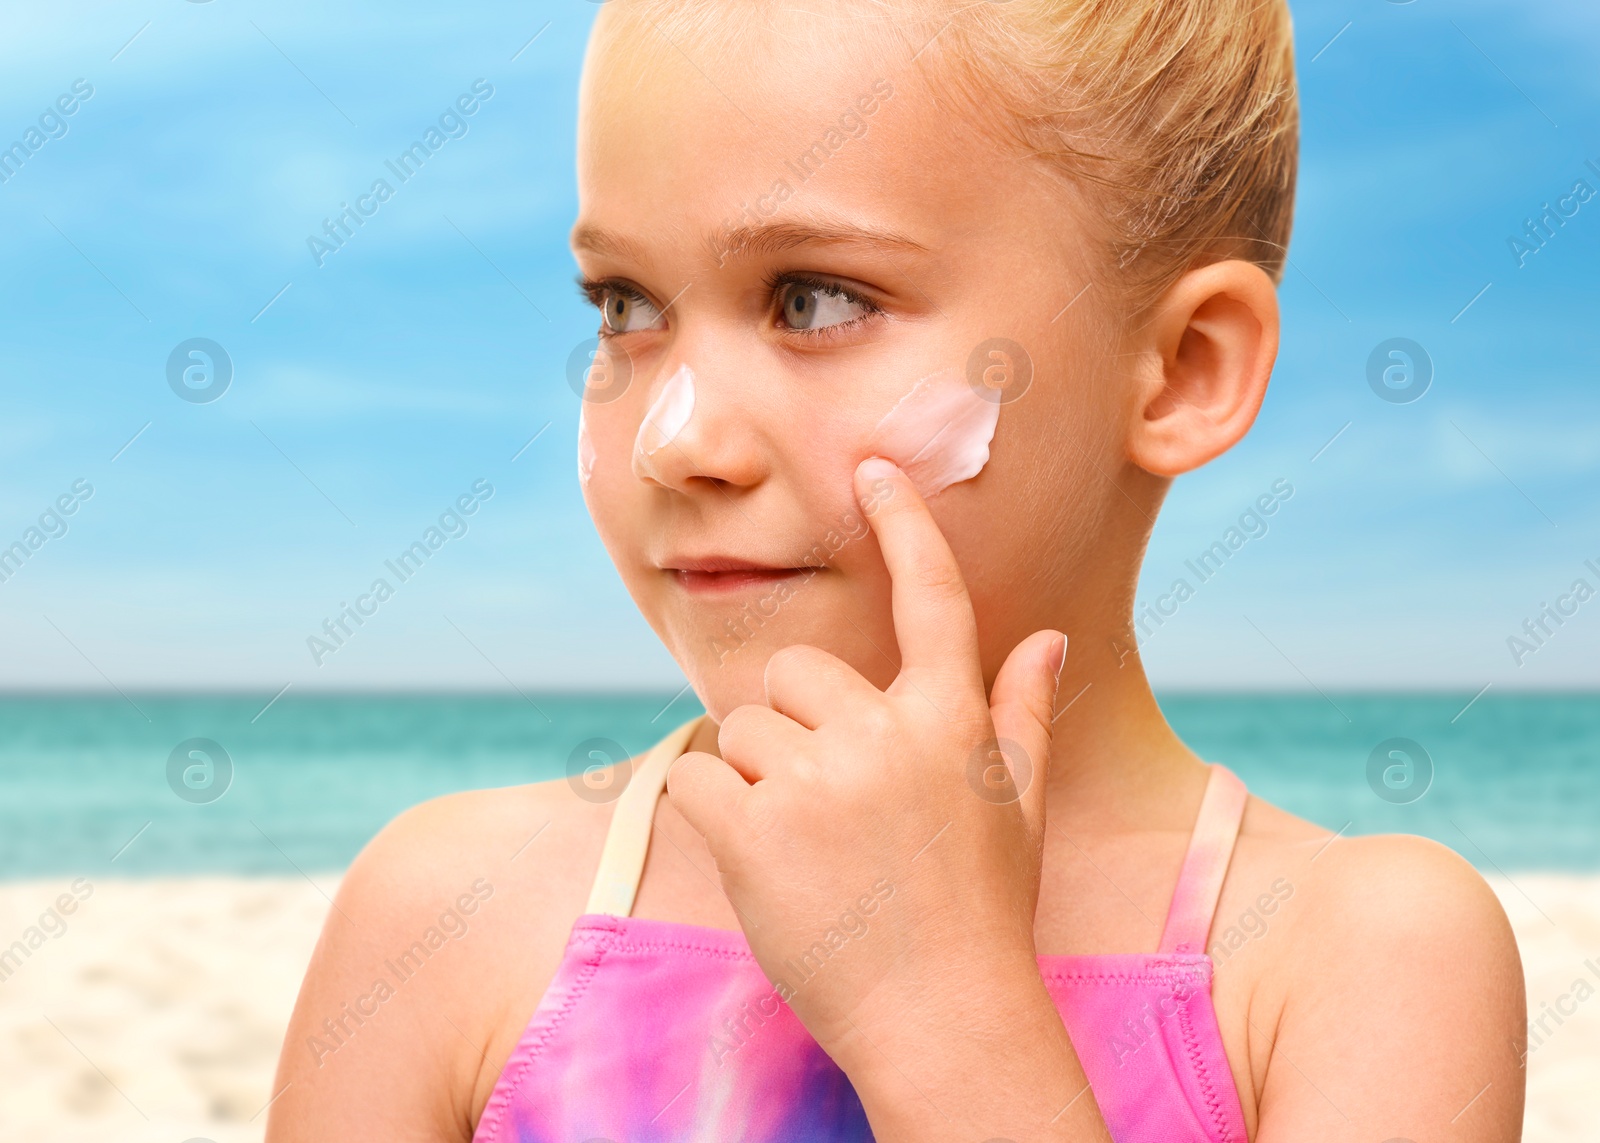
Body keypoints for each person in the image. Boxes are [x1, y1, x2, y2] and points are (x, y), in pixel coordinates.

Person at [268, 2, 1526, 1139]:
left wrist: (942, 1021)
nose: (678, 438)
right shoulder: (445, 919)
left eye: (814, 301)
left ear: (1185, 367)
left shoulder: (1357, 962)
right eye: (625, 306)